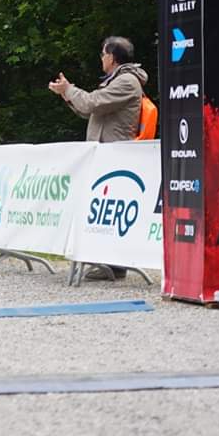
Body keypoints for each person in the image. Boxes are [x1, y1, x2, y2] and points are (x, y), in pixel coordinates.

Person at [49, 35, 148, 281]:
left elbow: (92, 103)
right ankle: (109, 263)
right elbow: (88, 109)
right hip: (107, 154)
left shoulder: (126, 81)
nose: (101, 59)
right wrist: (67, 94)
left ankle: (116, 265)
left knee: (112, 209)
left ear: (112, 57)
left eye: (103, 54)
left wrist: (70, 90)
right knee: (105, 209)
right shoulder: (117, 79)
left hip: (116, 154)